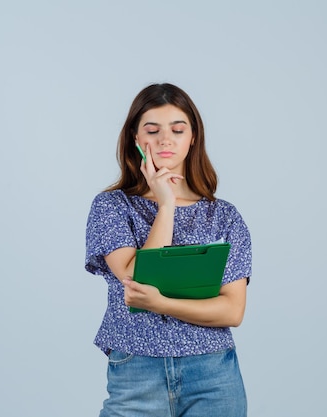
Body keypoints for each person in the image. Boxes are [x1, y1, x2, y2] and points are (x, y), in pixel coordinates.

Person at [85, 83, 252, 417]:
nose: (165, 140)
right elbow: (135, 276)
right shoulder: (111, 207)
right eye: (152, 129)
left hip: (213, 374)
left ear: (193, 139)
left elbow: (231, 311)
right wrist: (166, 205)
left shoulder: (224, 216)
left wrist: (160, 303)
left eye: (178, 130)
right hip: (137, 372)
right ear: (135, 138)